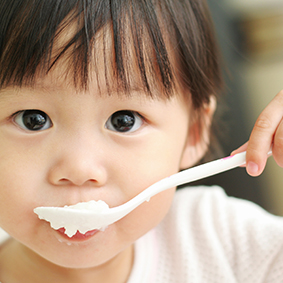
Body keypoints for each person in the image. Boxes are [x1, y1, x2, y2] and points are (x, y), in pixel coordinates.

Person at [0, 0, 282, 282]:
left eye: (124, 120)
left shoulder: (223, 240)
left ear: (194, 132)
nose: (79, 170)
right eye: (32, 119)